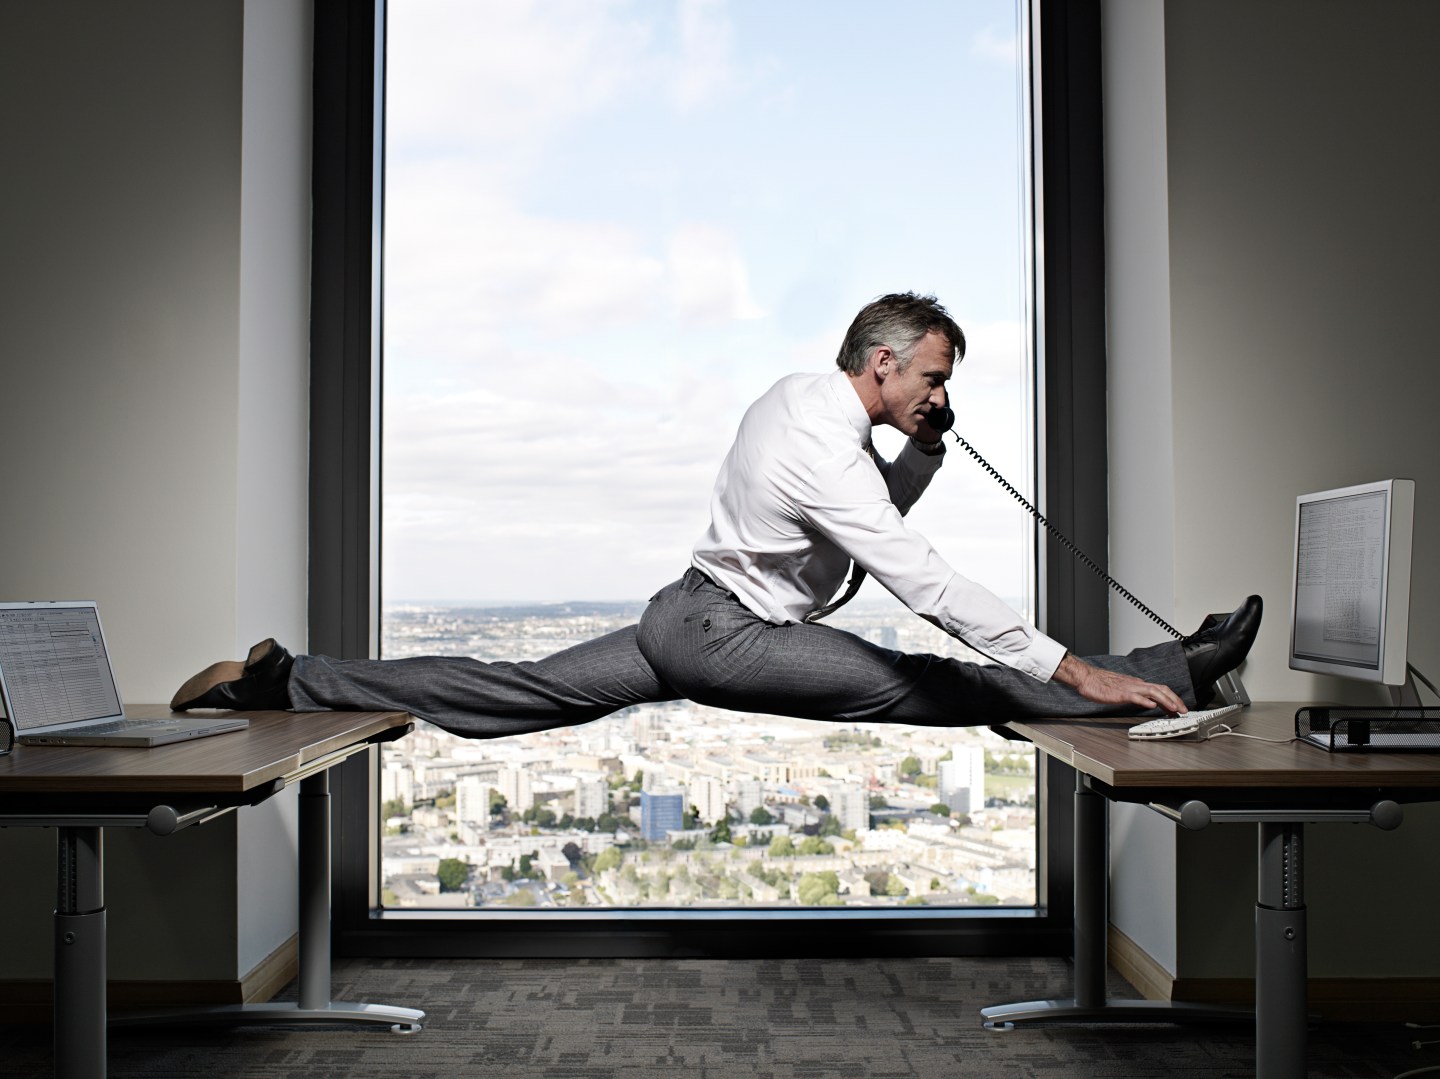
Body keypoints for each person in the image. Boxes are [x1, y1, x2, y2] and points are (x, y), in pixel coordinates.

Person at [172, 293, 1261, 737]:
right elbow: (917, 575)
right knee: (950, 682)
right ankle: (1166, 675)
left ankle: (284, 678)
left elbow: (856, 517)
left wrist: (917, 450)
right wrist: (1079, 668)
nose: (940, 393)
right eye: (931, 376)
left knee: (519, 691)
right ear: (882, 363)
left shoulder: (807, 400)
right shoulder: (818, 445)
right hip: (727, 631)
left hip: (682, 614)